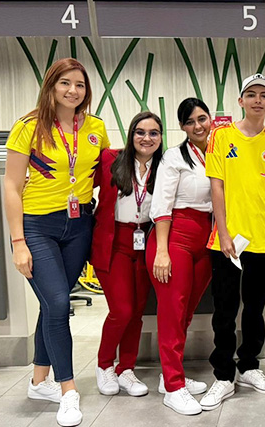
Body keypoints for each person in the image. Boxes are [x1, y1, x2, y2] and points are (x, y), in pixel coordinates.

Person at [4, 58, 110, 427]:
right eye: (65, 83)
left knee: (51, 305)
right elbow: (11, 186)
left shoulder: (95, 128)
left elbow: (101, 176)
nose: (72, 91)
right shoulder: (28, 127)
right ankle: (68, 391)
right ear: (51, 86)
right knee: (60, 303)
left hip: (79, 225)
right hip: (38, 227)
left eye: (79, 85)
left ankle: (38, 381)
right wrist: (18, 240)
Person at [199, 74, 265, 410]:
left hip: (262, 239)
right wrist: (222, 232)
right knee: (224, 310)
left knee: (254, 308)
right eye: (251, 94)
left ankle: (249, 365)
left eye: (264, 95)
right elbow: (216, 186)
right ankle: (223, 375)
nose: (257, 100)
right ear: (241, 101)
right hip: (227, 240)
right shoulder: (221, 137)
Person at [147, 98, 215, 415]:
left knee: (186, 313)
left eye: (202, 118)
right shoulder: (174, 157)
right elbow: (160, 206)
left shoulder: (220, 152)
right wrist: (162, 251)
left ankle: (168, 375)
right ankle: (174, 387)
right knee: (172, 313)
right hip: (175, 237)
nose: (198, 126)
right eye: (190, 122)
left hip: (208, 237)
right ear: (183, 127)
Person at [90, 111, 163, 399]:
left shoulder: (164, 166)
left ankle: (126, 368)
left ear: (160, 137)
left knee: (137, 312)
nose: (147, 138)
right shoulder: (110, 159)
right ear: (131, 134)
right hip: (114, 243)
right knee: (121, 310)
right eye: (140, 132)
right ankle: (104, 364)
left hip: (146, 241)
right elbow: (80, 182)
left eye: (154, 133)